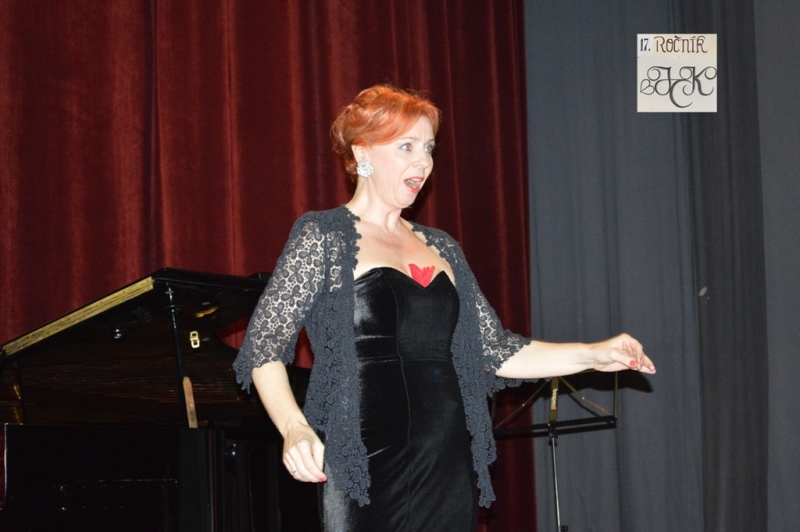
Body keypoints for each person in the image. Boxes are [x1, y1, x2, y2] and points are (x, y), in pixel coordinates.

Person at [233, 84, 656, 531]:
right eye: (406, 146)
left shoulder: (441, 247)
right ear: (362, 152)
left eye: (429, 148)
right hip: (363, 458)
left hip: (445, 460)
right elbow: (264, 345)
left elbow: (494, 350)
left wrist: (593, 354)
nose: (423, 162)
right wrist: (294, 427)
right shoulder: (323, 235)